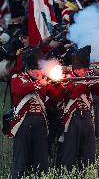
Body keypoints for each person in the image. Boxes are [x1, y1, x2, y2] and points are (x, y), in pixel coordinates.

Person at [9, 48, 49, 179]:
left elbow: (57, 96)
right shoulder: (17, 79)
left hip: (40, 122)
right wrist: (38, 84)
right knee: (20, 159)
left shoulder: (42, 80)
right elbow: (19, 91)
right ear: (29, 69)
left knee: (41, 159)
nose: (38, 72)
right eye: (35, 69)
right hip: (23, 122)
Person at [57, 45, 97, 170]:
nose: (86, 71)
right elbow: (73, 93)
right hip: (72, 119)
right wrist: (87, 82)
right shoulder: (67, 79)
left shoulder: (87, 78)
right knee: (69, 153)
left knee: (88, 153)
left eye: (86, 69)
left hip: (87, 118)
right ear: (77, 69)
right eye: (83, 69)